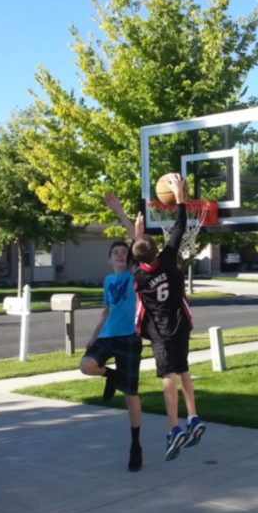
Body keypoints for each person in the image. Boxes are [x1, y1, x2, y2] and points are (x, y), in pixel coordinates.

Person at [125, 175, 207, 462]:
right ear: (157, 250)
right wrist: (180, 196)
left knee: (168, 376)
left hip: (160, 330)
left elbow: (136, 253)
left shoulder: (137, 273)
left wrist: (135, 232)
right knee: (183, 369)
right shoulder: (170, 258)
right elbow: (181, 227)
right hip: (181, 323)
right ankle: (193, 416)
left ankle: (174, 428)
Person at [79, 238, 144, 472]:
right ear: (108, 259)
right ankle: (111, 375)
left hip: (130, 337)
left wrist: (119, 211)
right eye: (115, 252)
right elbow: (106, 310)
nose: (119, 254)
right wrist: (93, 335)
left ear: (129, 257)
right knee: (86, 365)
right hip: (107, 336)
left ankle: (135, 444)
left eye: (123, 252)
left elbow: (138, 243)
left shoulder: (134, 275)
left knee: (130, 394)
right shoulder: (108, 280)